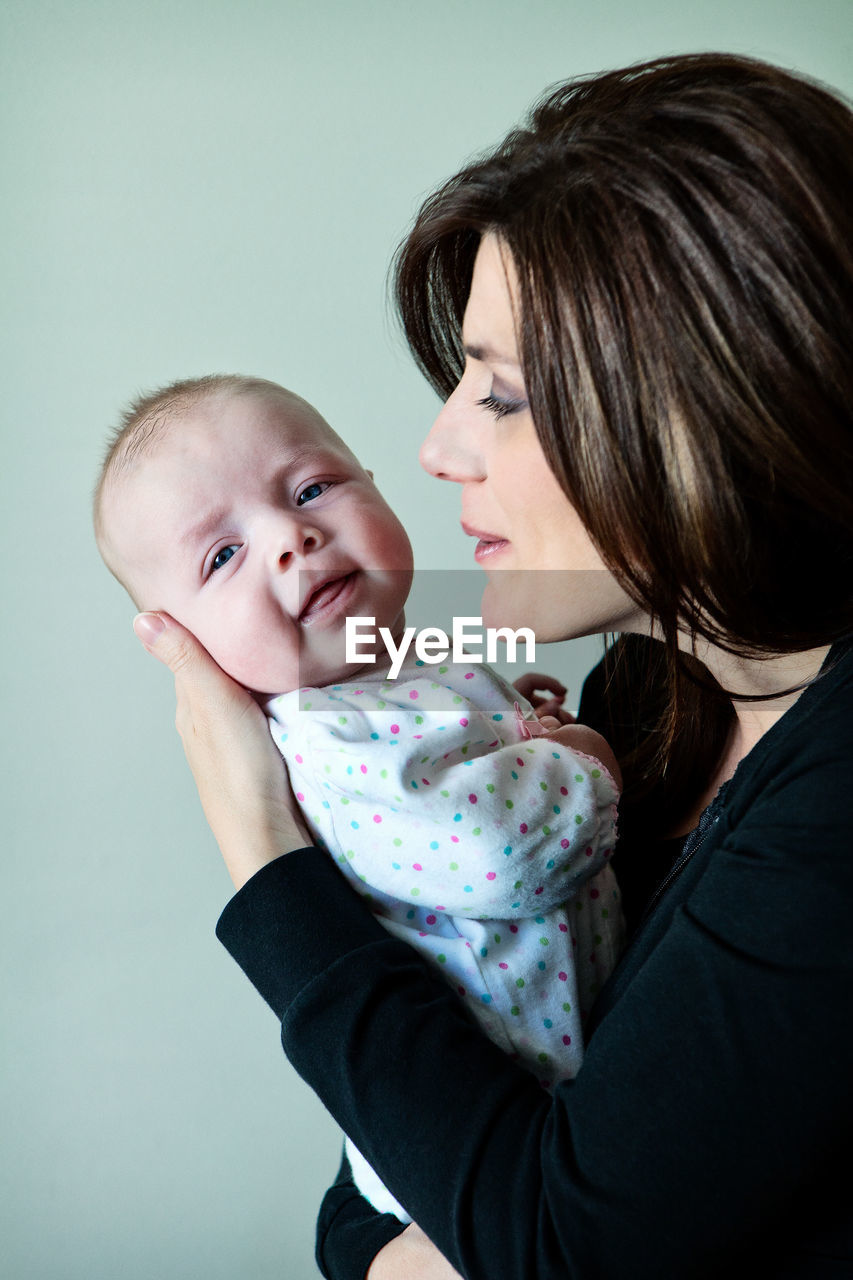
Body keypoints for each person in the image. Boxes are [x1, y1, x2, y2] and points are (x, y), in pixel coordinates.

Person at [128, 52, 853, 1278]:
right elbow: (412, 1154)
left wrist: (263, 854)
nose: (437, 444)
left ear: (704, 402)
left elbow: (544, 1235)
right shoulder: (644, 691)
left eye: (502, 395)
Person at [94, 373, 622, 1224]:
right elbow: (500, 854)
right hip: (490, 1134)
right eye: (222, 555)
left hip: (565, 1086)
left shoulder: (401, 666)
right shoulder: (325, 738)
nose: (291, 537)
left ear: (371, 480)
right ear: (181, 641)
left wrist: (513, 722)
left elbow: (459, 765)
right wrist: (586, 759)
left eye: (310, 489)